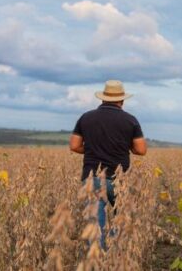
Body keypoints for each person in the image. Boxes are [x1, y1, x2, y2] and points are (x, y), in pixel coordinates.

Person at [69, 80, 147, 248]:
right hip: (120, 179)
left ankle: (98, 260)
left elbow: (74, 145)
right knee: (122, 222)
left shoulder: (86, 117)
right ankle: (115, 254)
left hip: (92, 178)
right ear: (123, 100)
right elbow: (141, 150)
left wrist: (91, 150)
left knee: (95, 227)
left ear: (102, 99)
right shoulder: (130, 120)